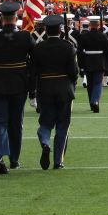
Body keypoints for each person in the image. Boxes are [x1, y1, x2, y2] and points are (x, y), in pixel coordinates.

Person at [0, 0, 34, 174]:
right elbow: (34, 58)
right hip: (19, 83)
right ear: (16, 17)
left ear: (2, 18)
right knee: (16, 123)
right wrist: (24, 71)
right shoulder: (25, 36)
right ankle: (14, 159)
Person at [30, 14, 78, 170]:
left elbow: (34, 72)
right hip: (64, 88)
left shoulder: (38, 48)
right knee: (63, 126)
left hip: (45, 89)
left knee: (45, 124)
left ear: (46, 30)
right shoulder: (68, 46)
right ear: (60, 29)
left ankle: (45, 142)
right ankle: (58, 161)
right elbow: (73, 72)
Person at [77, 18, 108, 113]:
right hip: (99, 62)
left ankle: (92, 104)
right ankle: (95, 101)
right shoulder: (103, 36)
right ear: (98, 25)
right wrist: (106, 62)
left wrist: (81, 65)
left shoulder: (84, 36)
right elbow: (107, 51)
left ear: (90, 25)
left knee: (90, 84)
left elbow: (80, 52)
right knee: (98, 83)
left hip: (88, 61)